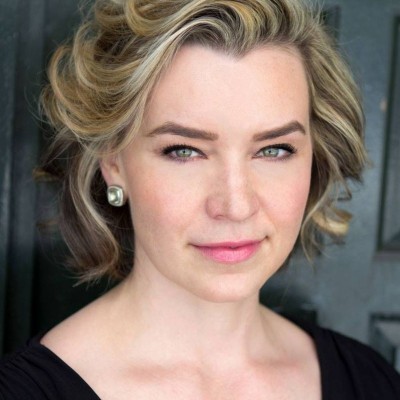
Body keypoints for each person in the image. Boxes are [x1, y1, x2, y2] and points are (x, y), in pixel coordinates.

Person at [1, 0, 400, 398]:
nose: (236, 206)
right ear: (113, 161)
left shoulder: (372, 384)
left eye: (274, 149)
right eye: (184, 151)